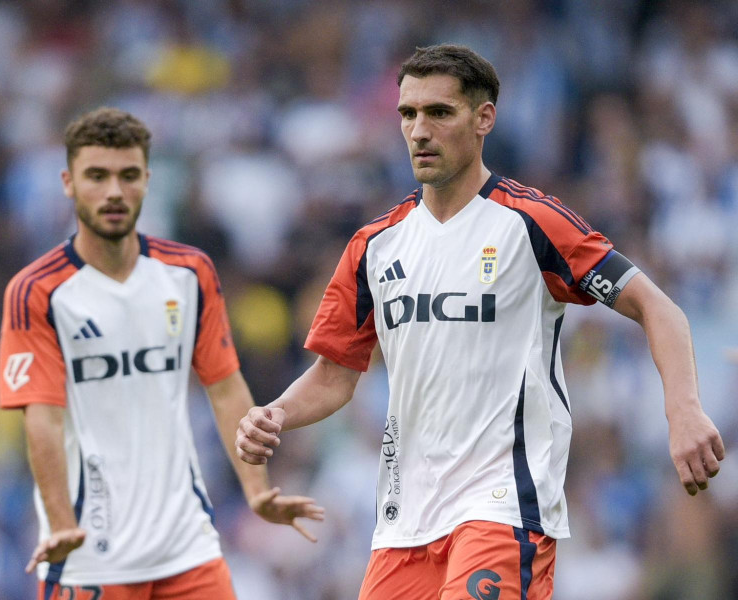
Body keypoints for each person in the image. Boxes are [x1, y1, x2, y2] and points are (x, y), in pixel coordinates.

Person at [235, 44, 725, 599]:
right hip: (405, 520)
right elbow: (334, 375)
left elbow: (658, 306)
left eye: (439, 112)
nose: (419, 130)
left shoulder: (531, 222)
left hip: (503, 505)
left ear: (483, 118)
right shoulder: (373, 246)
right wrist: (275, 412)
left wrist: (682, 410)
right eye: (408, 114)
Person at [0, 107, 324, 600]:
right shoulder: (37, 292)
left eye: (128, 175)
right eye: (97, 176)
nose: (114, 192)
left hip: (186, 545)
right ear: (68, 182)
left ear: (148, 180)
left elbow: (226, 387)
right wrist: (62, 524)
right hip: (91, 549)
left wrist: (257, 490)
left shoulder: (189, 274)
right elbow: (40, 419)